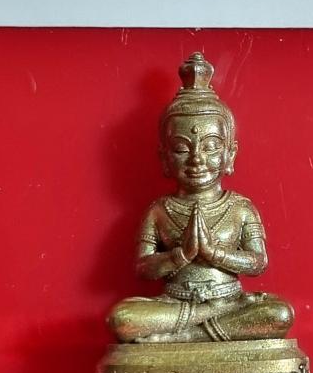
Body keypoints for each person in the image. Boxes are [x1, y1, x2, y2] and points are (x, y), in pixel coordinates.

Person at [108, 52, 294, 343]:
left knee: (279, 314)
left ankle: (180, 338)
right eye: (182, 148)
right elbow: (143, 268)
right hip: (177, 304)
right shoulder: (160, 210)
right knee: (122, 318)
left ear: (230, 154)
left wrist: (215, 254)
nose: (197, 159)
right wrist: (180, 255)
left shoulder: (240, 208)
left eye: (210, 147)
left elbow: (258, 262)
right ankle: (204, 325)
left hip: (228, 301)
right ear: (164, 158)